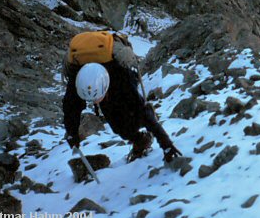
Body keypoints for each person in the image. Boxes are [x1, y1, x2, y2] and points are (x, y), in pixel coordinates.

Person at [62, 31, 182, 162]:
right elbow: (70, 109)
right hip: (97, 70)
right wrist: (72, 134)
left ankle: (141, 138)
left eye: (97, 98)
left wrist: (166, 144)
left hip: (117, 68)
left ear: (105, 86)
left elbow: (142, 109)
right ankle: (140, 140)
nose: (95, 102)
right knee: (116, 124)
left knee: (131, 113)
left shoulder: (121, 75)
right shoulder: (76, 79)